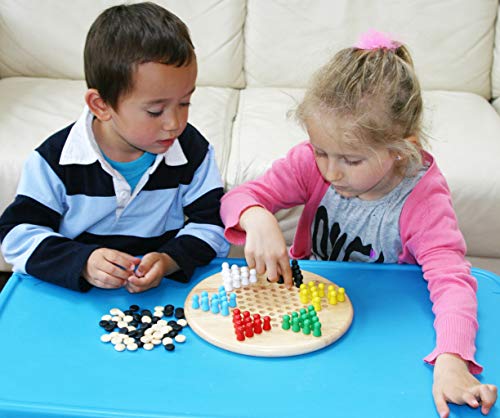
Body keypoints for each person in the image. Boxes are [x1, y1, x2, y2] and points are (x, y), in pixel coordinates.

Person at [220, 30, 497, 417]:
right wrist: (257, 215)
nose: (331, 171)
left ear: (403, 149)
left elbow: (452, 282)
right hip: (312, 312)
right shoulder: (309, 163)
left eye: (351, 160)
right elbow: (237, 197)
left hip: (384, 324)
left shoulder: (423, 199)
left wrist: (453, 358)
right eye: (321, 152)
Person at [0, 2, 229, 293]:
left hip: (161, 293)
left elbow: (213, 225)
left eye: (184, 103)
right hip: (75, 295)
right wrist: (82, 261)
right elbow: (16, 236)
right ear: (102, 105)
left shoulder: (192, 151)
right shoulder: (54, 161)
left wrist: (170, 259)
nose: (174, 123)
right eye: (156, 111)